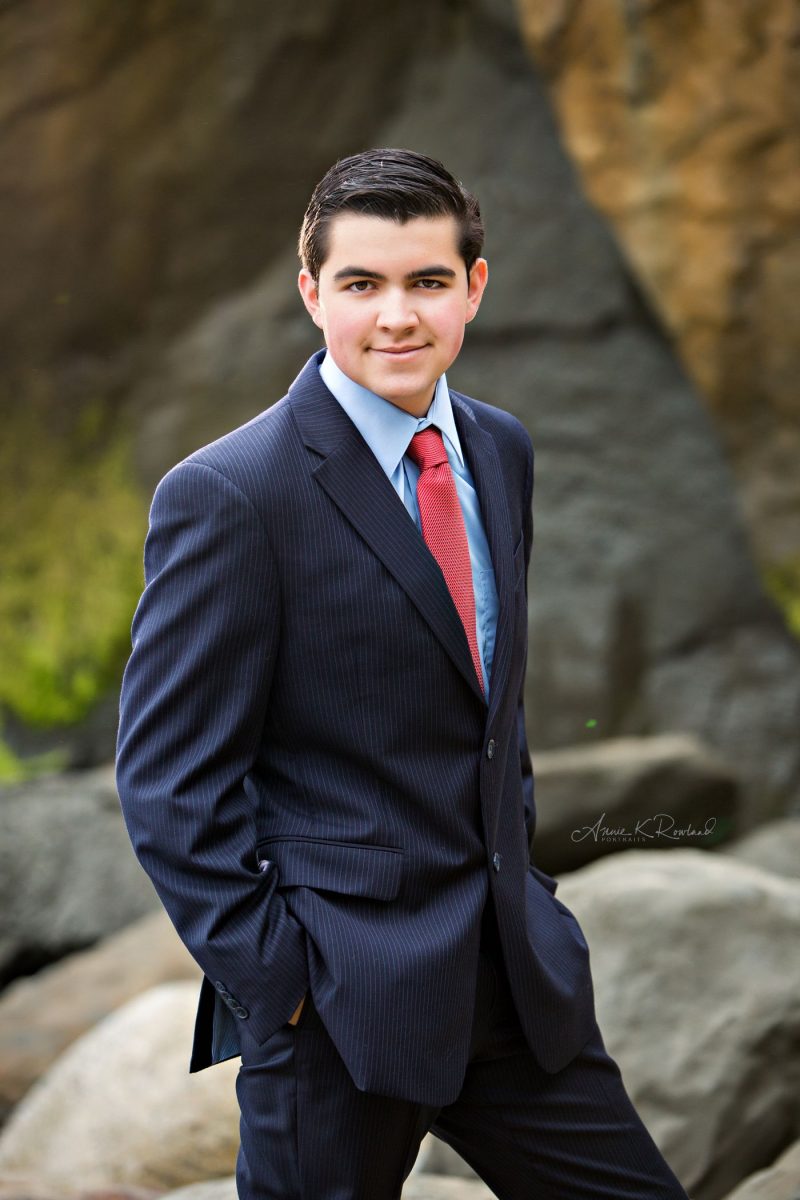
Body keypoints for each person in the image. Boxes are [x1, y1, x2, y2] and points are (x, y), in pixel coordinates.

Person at [116, 148, 690, 1199]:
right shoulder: (231, 495)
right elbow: (167, 782)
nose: (395, 316)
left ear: (473, 287)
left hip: (514, 984)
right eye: (360, 284)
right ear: (310, 294)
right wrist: (279, 984)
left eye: (426, 281)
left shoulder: (498, 449)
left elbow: (486, 713)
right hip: (338, 1006)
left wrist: (528, 892)